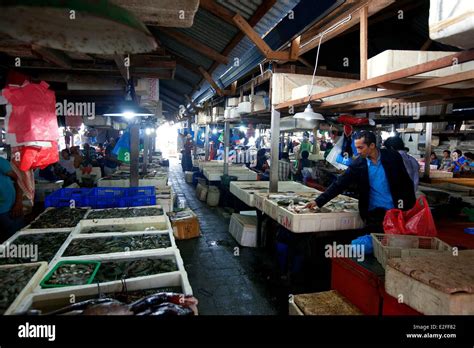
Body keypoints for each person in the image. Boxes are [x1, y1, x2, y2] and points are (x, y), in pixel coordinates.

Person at [306, 130, 416, 234]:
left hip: (396, 211)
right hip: (374, 213)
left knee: (393, 245)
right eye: (356, 148)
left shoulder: (392, 157)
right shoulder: (358, 164)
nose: (358, 151)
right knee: (376, 242)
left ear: (372, 146)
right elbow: (340, 184)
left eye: (361, 148)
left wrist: (409, 207)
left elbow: (406, 182)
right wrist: (318, 201)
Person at [0, 157, 25, 241]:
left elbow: (20, 178)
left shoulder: (1, 162)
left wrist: (18, 203)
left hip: (8, 209)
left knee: (17, 240)